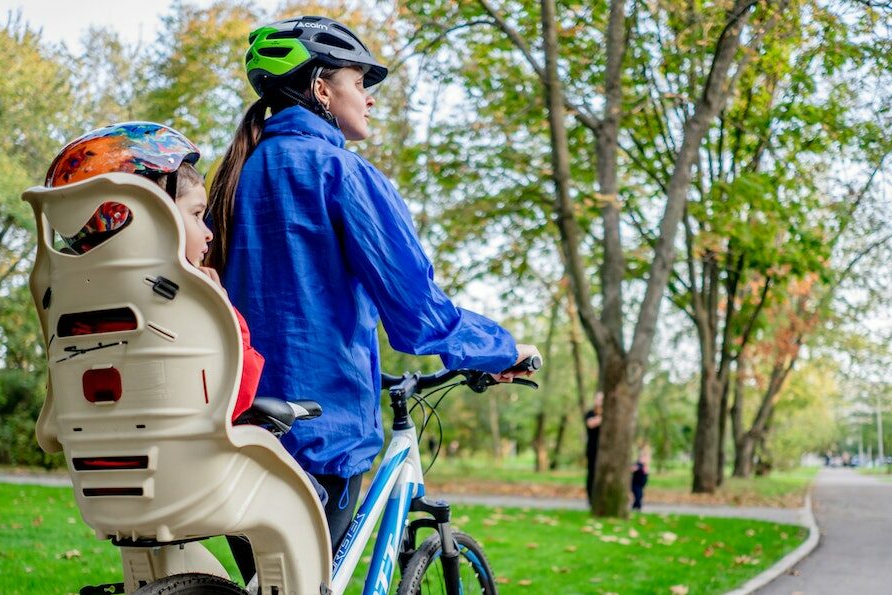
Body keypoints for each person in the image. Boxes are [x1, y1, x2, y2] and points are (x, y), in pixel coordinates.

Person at [204, 16, 541, 565]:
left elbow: (273, 303)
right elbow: (417, 315)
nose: (369, 99)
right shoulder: (341, 173)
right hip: (322, 429)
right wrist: (503, 348)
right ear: (320, 87)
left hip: (242, 423)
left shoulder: (236, 176)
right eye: (359, 83)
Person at [44, 122, 265, 423]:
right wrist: (223, 308)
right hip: (193, 460)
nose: (208, 232)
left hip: (96, 457)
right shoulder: (194, 304)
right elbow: (234, 398)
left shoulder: (68, 299)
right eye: (197, 214)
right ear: (156, 216)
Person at [584, 391, 603, 504]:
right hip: (593, 449)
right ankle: (591, 498)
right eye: (599, 399)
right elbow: (591, 423)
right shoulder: (590, 413)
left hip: (605, 451)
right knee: (592, 474)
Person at [630, 445, 650, 511]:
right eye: (644, 458)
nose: (646, 459)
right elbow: (633, 469)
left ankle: (635, 508)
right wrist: (634, 468)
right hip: (635, 484)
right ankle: (637, 508)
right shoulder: (639, 464)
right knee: (638, 496)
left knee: (640, 496)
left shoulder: (645, 466)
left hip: (640, 485)